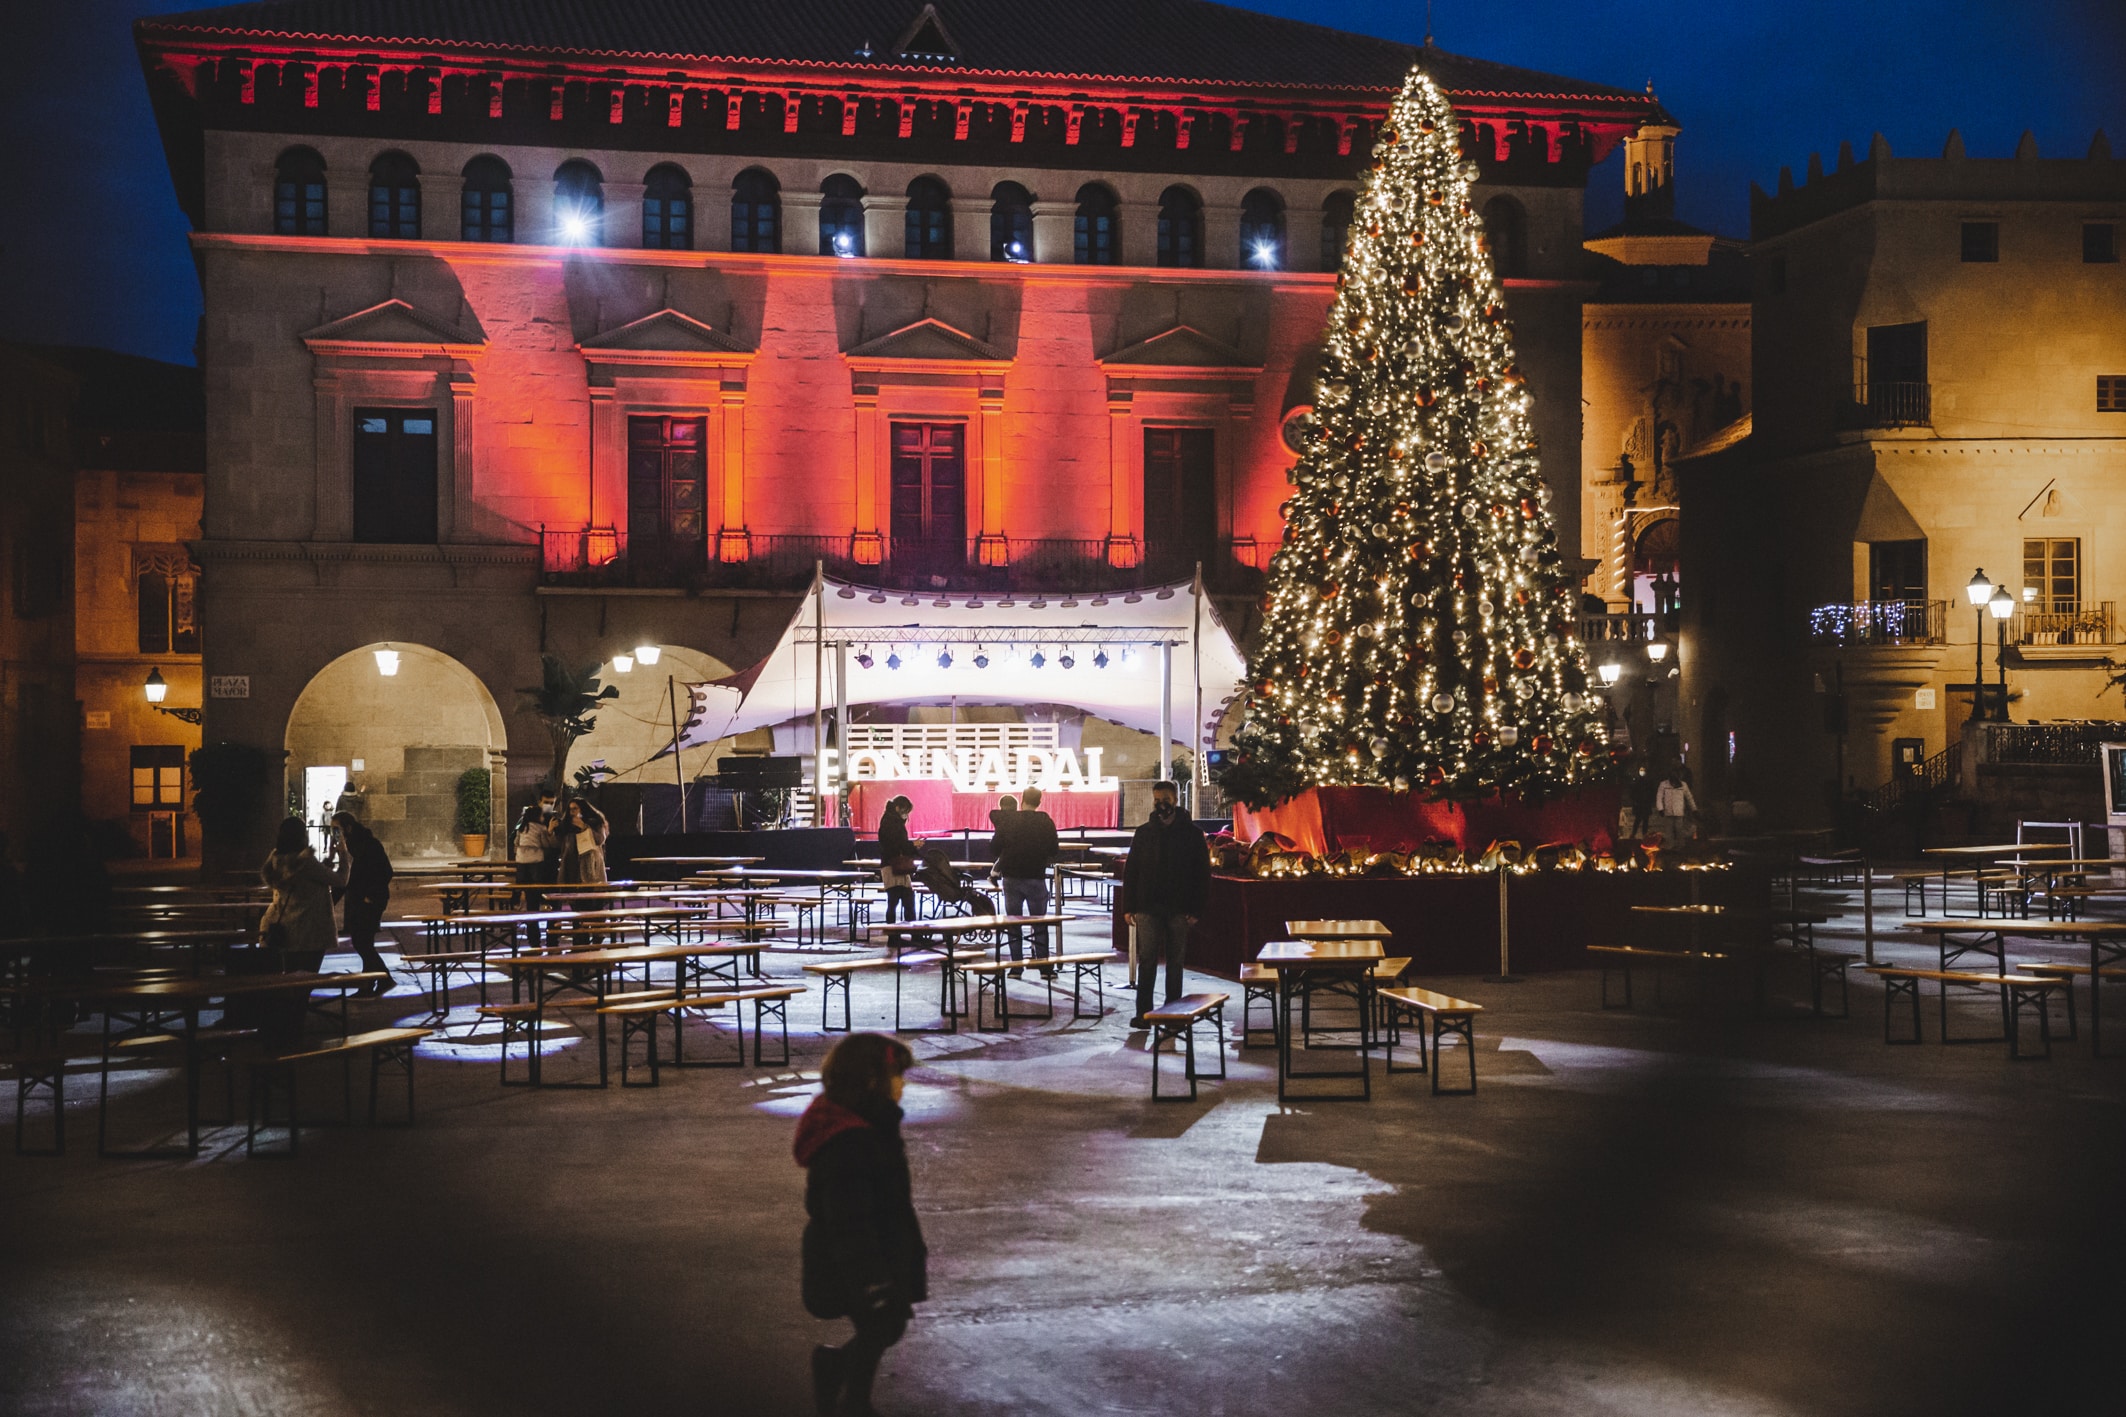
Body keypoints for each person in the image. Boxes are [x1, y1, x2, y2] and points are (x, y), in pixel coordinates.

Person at [796, 1033, 926, 1417]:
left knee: (888, 1324)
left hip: (877, 1246)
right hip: (851, 1258)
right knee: (879, 1322)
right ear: (872, 1080)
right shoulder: (848, 1141)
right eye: (897, 1076)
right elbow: (848, 1221)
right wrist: (871, 1278)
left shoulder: (873, 1122)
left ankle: (835, 1366)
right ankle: (853, 1403)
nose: (903, 1085)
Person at [1123, 779, 1210, 1029]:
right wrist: (1128, 907)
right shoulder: (1143, 833)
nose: (1161, 805)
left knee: (1175, 962)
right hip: (1148, 906)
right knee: (1147, 960)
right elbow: (1132, 871)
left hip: (1179, 907)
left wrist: (1196, 909)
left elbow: (1202, 874)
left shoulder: (1192, 834)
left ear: (1176, 800)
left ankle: (1173, 1014)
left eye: (1166, 800)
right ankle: (1143, 1014)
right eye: (1157, 800)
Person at [994, 786, 1059, 974]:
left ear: (1022, 800)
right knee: (1039, 922)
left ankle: (1016, 967)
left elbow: (994, 846)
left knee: (1013, 923)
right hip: (1036, 877)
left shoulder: (1010, 820)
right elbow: (1054, 849)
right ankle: (1044, 967)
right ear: (1039, 802)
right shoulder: (1045, 821)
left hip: (1011, 878)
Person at [261, 816, 338, 973]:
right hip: (310, 928)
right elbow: (339, 880)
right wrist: (343, 857)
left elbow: (307, 879)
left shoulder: (276, 859)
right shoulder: (306, 862)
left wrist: (327, 860)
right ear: (302, 836)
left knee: (290, 974)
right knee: (308, 975)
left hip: (285, 926)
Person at [329, 812, 394, 991]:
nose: (334, 833)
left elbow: (386, 871)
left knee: (362, 942)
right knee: (363, 941)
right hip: (359, 900)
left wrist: (370, 896)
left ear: (348, 828)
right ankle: (369, 982)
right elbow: (345, 879)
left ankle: (384, 978)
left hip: (371, 900)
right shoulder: (349, 847)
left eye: (337, 829)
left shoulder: (368, 845)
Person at [876, 796, 918, 925]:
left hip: (893, 865)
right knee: (902, 900)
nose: (906, 815)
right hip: (893, 865)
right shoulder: (892, 823)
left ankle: (896, 935)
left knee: (897, 900)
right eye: (905, 811)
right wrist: (913, 845)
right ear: (897, 808)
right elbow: (898, 844)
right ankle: (906, 934)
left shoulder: (889, 820)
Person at [916, 846, 993, 916]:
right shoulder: (941, 877)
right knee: (978, 898)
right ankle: (986, 917)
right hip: (952, 891)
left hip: (942, 891)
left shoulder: (934, 877)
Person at [558, 797, 609, 884]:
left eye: (575, 808)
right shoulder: (567, 824)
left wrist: (584, 827)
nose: (572, 812)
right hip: (571, 862)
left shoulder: (595, 821)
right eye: (570, 809)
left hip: (589, 859)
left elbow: (600, 839)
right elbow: (560, 842)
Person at [512, 802, 556, 884]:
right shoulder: (541, 828)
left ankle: (516, 895)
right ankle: (534, 896)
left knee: (521, 882)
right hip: (536, 859)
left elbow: (516, 842)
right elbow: (545, 844)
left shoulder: (522, 827)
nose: (543, 817)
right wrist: (549, 833)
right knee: (536, 882)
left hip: (521, 858)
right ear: (537, 816)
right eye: (542, 815)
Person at [1654, 768, 1698, 846]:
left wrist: (1694, 809)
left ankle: (1680, 845)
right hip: (1669, 812)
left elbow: (1689, 797)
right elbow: (1659, 797)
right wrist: (1660, 808)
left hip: (1679, 812)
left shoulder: (1683, 785)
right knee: (1669, 831)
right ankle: (1670, 846)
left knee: (1679, 831)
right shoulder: (1664, 784)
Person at [1626, 765, 1658, 839]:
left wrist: (1650, 800)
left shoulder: (1648, 782)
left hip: (1645, 803)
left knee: (1645, 820)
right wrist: (1635, 800)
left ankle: (1644, 834)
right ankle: (1634, 833)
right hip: (1639, 803)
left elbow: (1652, 792)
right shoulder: (1637, 781)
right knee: (1638, 819)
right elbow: (1632, 792)